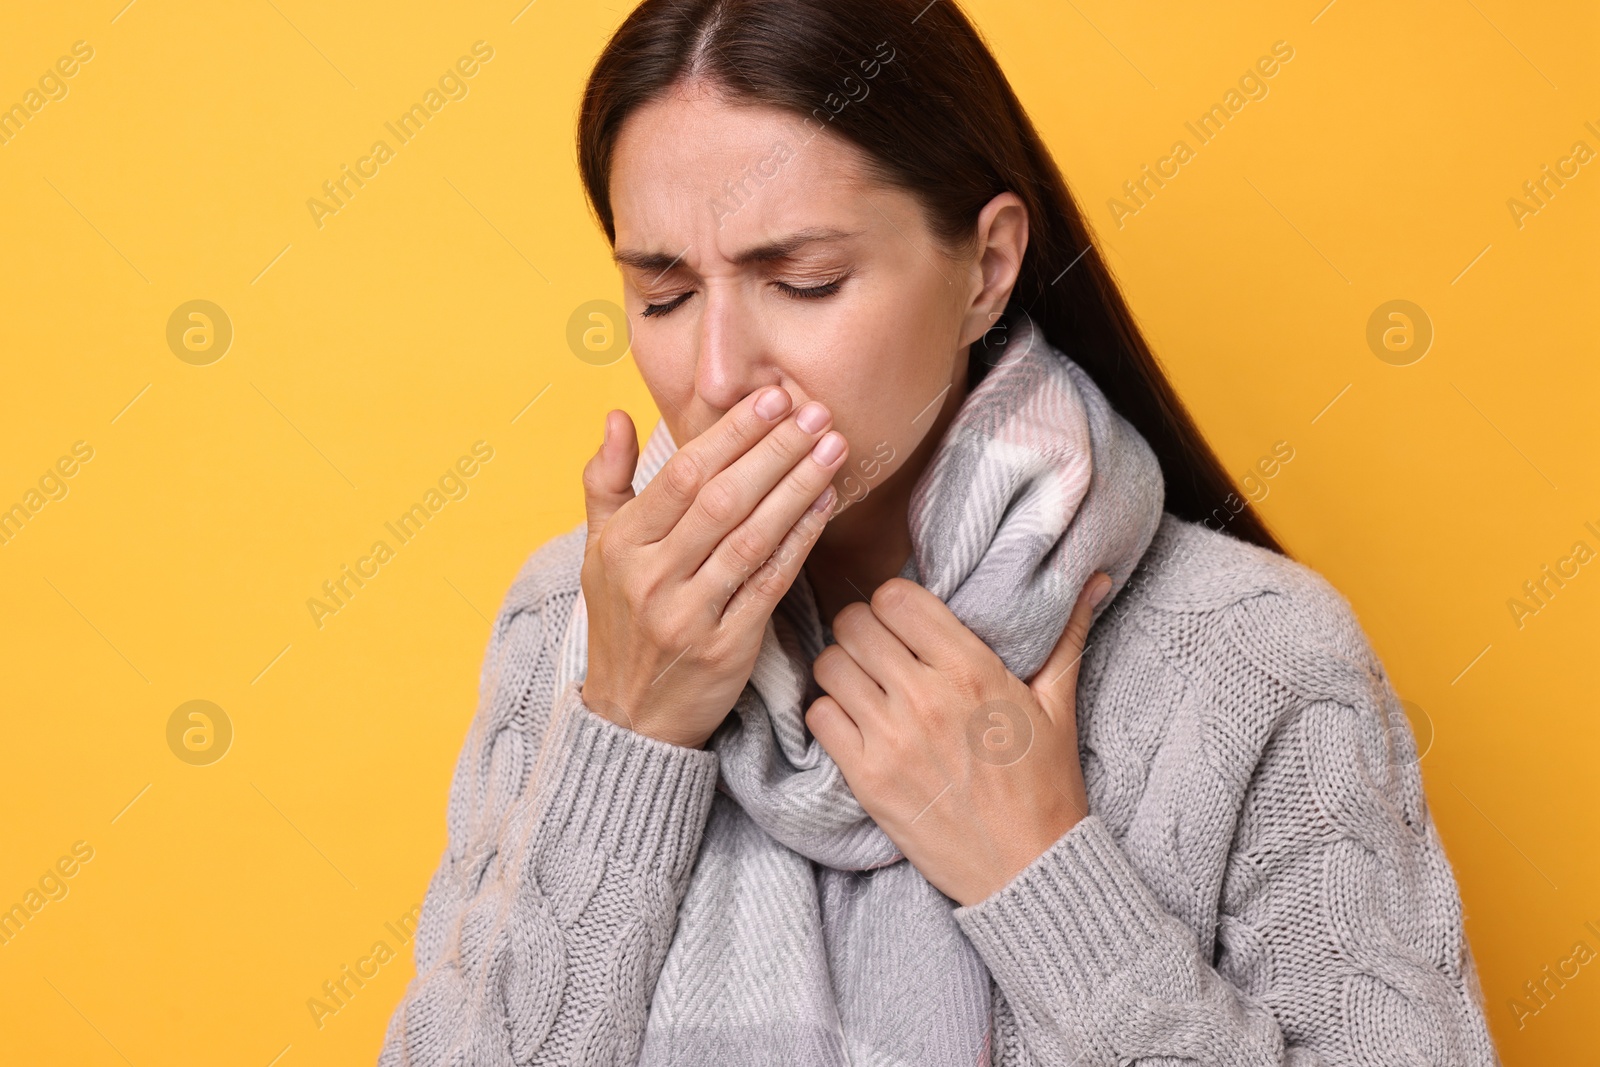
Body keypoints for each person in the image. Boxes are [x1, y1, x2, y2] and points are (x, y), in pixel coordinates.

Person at [379, 1, 1499, 1063]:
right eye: (664, 294)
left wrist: (1047, 878)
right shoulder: (569, 629)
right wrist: (625, 736)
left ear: (988, 268)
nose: (716, 376)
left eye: (803, 280)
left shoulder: (1253, 658)